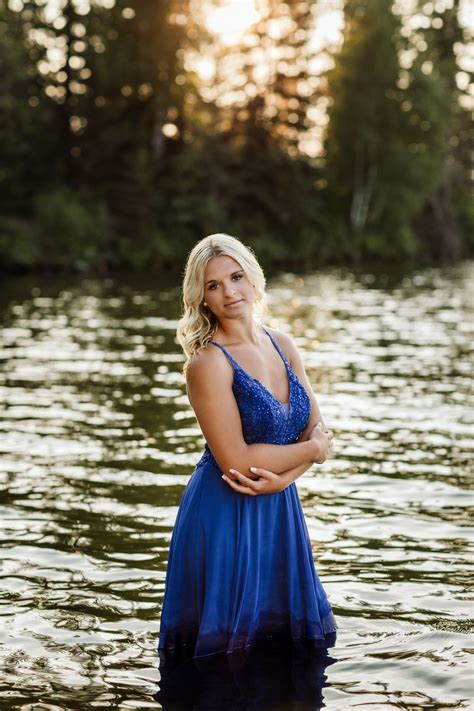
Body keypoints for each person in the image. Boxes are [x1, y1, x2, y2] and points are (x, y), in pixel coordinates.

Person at [158, 233, 337, 660]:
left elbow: (317, 430)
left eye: (235, 277)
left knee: (290, 650)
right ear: (201, 298)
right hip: (225, 507)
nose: (229, 292)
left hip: (278, 503)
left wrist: (283, 481)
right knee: (223, 661)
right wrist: (309, 454)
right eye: (213, 285)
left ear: (253, 278)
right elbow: (237, 457)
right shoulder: (207, 363)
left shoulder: (284, 345)